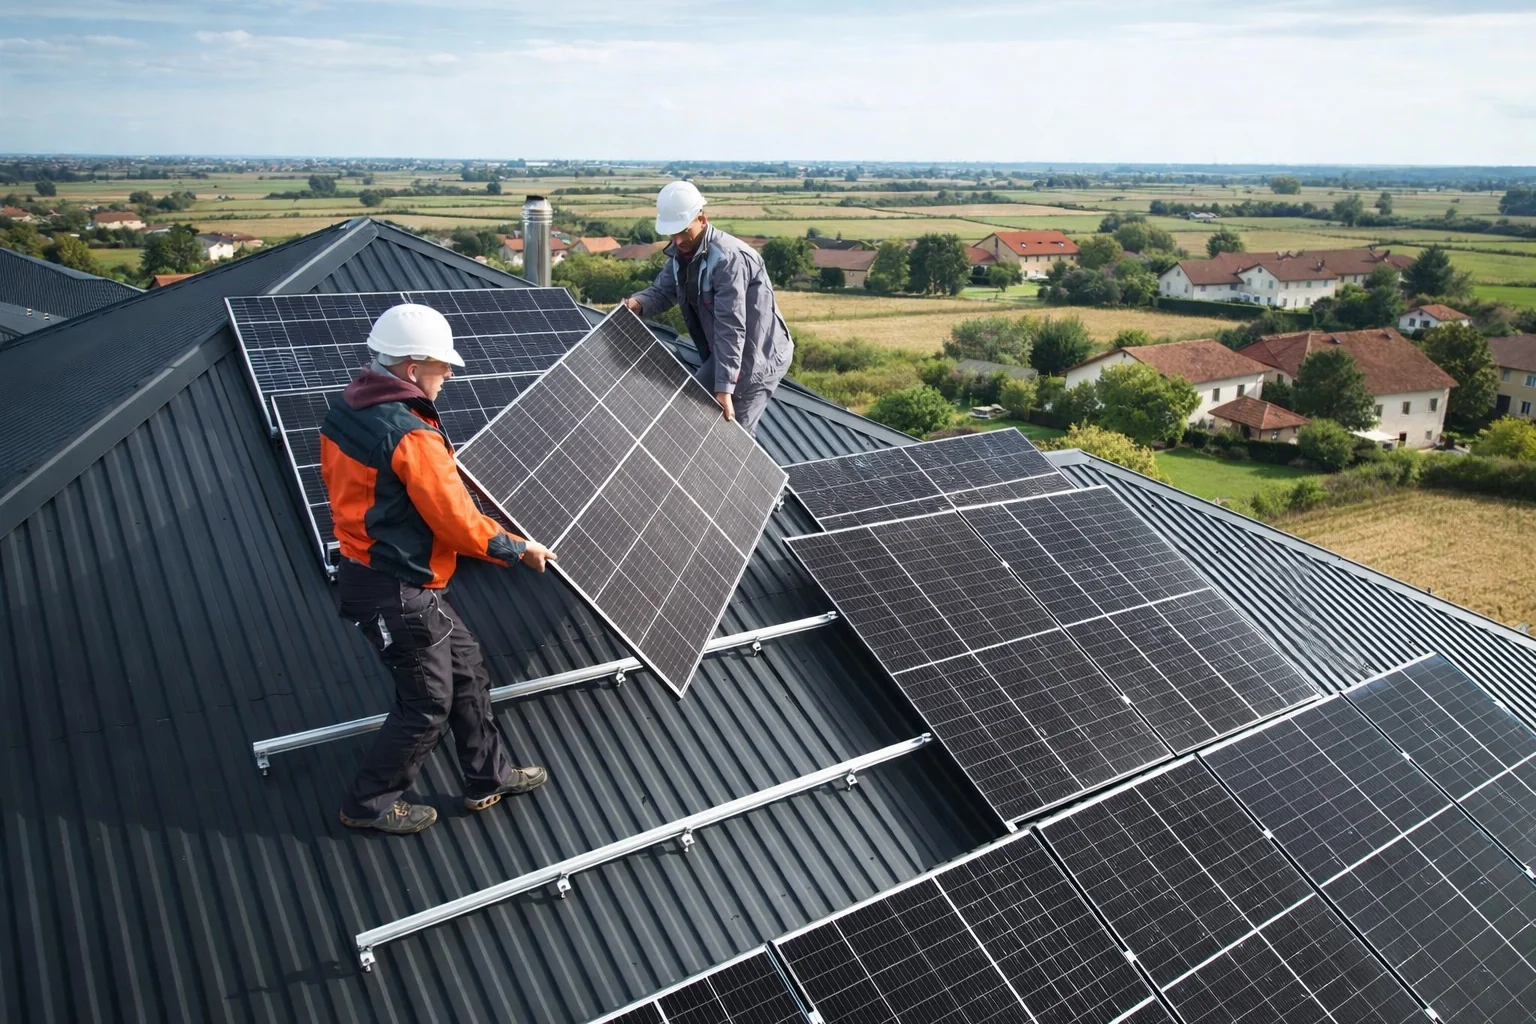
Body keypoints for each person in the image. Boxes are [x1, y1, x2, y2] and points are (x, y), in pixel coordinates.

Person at [321, 303, 556, 835]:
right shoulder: (409, 435)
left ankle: (487, 778)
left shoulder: (347, 410)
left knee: (468, 672)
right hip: (393, 589)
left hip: (408, 580)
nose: (449, 374)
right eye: (440, 365)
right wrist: (518, 549)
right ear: (410, 369)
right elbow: (455, 522)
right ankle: (368, 805)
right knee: (427, 703)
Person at [623, 180, 794, 437]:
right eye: (672, 234)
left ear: (702, 219)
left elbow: (731, 326)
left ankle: (741, 473)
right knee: (687, 410)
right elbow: (663, 291)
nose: (678, 240)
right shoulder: (683, 255)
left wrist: (724, 388)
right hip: (727, 352)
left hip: (758, 355)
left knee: (730, 434)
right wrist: (637, 303)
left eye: (683, 231)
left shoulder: (727, 259)